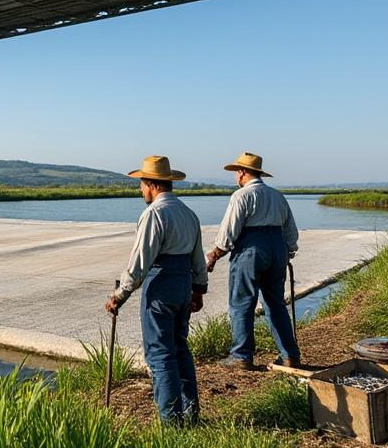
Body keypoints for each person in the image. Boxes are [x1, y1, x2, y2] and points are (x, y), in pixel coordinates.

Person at [104, 156, 206, 424]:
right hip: (183, 284)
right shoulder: (188, 213)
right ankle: (190, 413)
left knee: (160, 353)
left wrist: (119, 296)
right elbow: (198, 258)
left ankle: (171, 422)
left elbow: (139, 264)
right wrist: (199, 290)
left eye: (141, 184)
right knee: (179, 348)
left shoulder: (154, 214)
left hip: (161, 285)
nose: (140, 190)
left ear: (151, 184)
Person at [205, 152, 302, 369]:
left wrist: (214, 256)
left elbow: (228, 233)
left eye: (236, 173)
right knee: (276, 303)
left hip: (251, 250)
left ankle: (241, 356)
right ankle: (290, 355)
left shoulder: (241, 196)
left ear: (241, 173)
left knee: (242, 303)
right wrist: (287, 252)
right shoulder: (277, 196)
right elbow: (290, 232)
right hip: (277, 248)